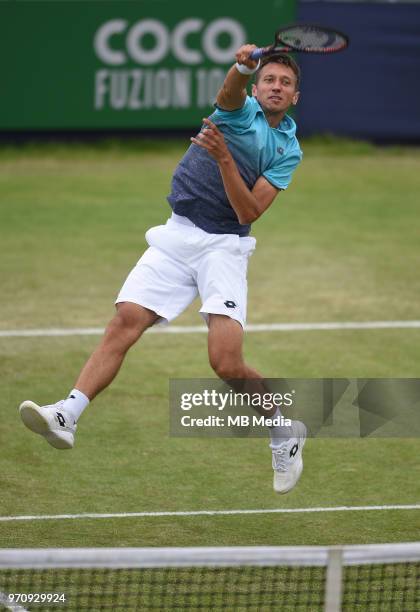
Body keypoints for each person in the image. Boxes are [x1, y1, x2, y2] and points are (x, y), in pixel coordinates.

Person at [19, 44, 306, 494]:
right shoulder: (235, 111)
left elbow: (249, 208)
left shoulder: (288, 149)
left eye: (285, 83)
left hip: (224, 247)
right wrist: (241, 64)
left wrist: (225, 159)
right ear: (257, 87)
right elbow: (229, 90)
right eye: (268, 79)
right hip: (177, 234)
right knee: (124, 322)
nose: (276, 87)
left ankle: (283, 429)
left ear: (294, 98)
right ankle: (67, 414)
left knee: (225, 363)